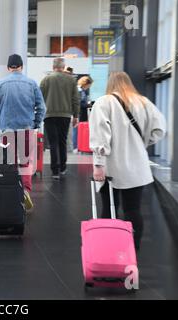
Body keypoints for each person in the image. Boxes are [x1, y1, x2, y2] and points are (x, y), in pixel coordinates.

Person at [90, 71, 166, 251]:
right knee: (133, 209)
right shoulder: (144, 102)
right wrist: (141, 143)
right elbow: (160, 130)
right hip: (137, 167)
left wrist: (99, 164)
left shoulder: (103, 102)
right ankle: (132, 250)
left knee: (110, 209)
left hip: (111, 167)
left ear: (110, 83)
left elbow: (100, 136)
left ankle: (108, 250)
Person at [0, 54, 46, 211]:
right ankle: (25, 191)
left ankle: (12, 194)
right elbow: (41, 107)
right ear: (21, 66)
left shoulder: (0, 84)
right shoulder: (32, 84)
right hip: (26, 129)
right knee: (25, 162)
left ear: (8, 68)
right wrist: (35, 123)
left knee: (10, 164)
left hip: (5, 131)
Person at [40, 58, 80, 180]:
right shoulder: (71, 80)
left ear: (53, 67)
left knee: (53, 143)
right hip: (65, 115)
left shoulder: (46, 79)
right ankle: (63, 167)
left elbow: (40, 98)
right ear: (63, 67)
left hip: (49, 115)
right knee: (62, 141)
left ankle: (55, 171)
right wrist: (76, 116)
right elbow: (75, 99)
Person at [73, 76, 94, 153]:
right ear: (85, 84)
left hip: (80, 112)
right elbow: (79, 103)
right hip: (80, 113)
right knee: (77, 130)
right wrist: (88, 104)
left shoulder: (80, 90)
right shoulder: (80, 91)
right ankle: (76, 147)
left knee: (78, 130)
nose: (89, 87)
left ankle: (78, 146)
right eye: (89, 85)